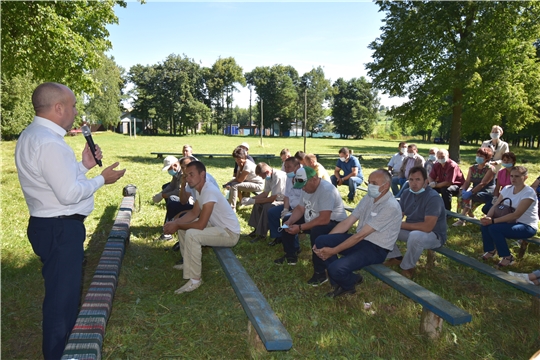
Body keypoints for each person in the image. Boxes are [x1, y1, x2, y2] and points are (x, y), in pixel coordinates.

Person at [15, 82, 126, 360]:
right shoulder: (50, 142)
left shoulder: (32, 135)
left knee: (59, 297)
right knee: (61, 304)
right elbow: (68, 193)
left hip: (49, 225)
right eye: (73, 106)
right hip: (60, 229)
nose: (76, 112)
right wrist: (102, 179)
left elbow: (56, 180)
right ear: (58, 108)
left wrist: (84, 166)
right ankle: (59, 354)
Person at [313, 170, 402, 297]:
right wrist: (327, 242)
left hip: (376, 248)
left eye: (374, 183)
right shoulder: (369, 197)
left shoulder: (390, 206)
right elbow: (348, 221)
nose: (370, 185)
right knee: (321, 240)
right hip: (361, 241)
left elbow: (360, 235)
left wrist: (333, 250)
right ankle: (339, 282)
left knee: (336, 268)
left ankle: (349, 284)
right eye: (369, 182)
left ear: (386, 186)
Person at [163, 161, 241, 293]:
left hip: (230, 233)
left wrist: (176, 224)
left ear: (202, 174)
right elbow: (194, 213)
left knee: (192, 234)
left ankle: (195, 280)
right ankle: (187, 263)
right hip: (218, 226)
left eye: (191, 174)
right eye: (186, 175)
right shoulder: (200, 189)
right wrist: (176, 223)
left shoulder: (209, 190)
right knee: (184, 228)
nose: (188, 178)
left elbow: (200, 225)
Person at [276, 167, 348, 286]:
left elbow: (324, 219)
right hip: (314, 217)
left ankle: (320, 273)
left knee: (317, 232)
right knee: (287, 220)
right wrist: (291, 221)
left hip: (334, 223)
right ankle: (291, 254)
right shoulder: (306, 187)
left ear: (314, 179)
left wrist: (300, 228)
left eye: (304, 185)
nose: (303, 189)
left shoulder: (326, 190)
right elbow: (300, 208)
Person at [385, 166, 447, 278]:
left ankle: (408, 267)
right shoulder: (406, 193)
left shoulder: (433, 198)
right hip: (412, 230)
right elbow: (398, 215)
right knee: (385, 226)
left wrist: (400, 224)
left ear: (426, 181)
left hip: (433, 235)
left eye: (418, 179)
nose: (414, 183)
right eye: (411, 180)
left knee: (415, 236)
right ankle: (396, 257)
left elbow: (427, 227)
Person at [480, 166, 538, 267]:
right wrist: (487, 218)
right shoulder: (507, 189)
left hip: (526, 226)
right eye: (511, 176)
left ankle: (507, 257)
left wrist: (493, 221)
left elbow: (516, 215)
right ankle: (491, 250)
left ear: (525, 177)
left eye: (517, 176)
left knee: (494, 228)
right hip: (510, 222)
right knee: (485, 225)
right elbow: (496, 205)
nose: (513, 179)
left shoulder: (529, 192)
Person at [153, 156, 194, 240]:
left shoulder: (184, 174)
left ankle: (168, 230)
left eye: (169, 168)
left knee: (172, 199)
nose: (169, 171)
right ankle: (169, 224)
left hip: (191, 203)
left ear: (175, 165)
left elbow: (178, 192)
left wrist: (163, 195)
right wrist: (161, 193)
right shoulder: (177, 173)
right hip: (186, 201)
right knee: (166, 190)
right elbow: (171, 185)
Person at [244, 162, 287, 242]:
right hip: (277, 199)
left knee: (268, 206)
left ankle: (262, 234)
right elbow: (265, 193)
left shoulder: (278, 176)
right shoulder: (268, 176)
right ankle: (256, 229)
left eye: (261, 176)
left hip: (286, 201)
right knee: (258, 204)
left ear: (267, 172)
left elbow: (273, 198)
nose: (262, 178)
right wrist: (250, 199)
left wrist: (254, 200)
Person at [453, 147, 496, 226]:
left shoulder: (490, 169)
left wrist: (470, 192)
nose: (478, 157)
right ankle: (471, 217)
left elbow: (483, 183)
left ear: (487, 158)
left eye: (481, 156)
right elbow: (467, 181)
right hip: (476, 190)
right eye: (478, 155)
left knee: (469, 197)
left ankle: (462, 219)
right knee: (461, 196)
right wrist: (463, 189)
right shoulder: (472, 168)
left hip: (487, 192)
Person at [267, 157, 303, 247]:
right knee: (272, 212)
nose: (286, 170)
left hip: (301, 208)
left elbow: (305, 201)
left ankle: (294, 247)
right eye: (285, 167)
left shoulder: (303, 177)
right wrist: (285, 209)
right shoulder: (289, 177)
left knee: (288, 218)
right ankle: (279, 237)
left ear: (297, 167)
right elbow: (286, 195)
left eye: (289, 167)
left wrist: (291, 212)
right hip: (290, 205)